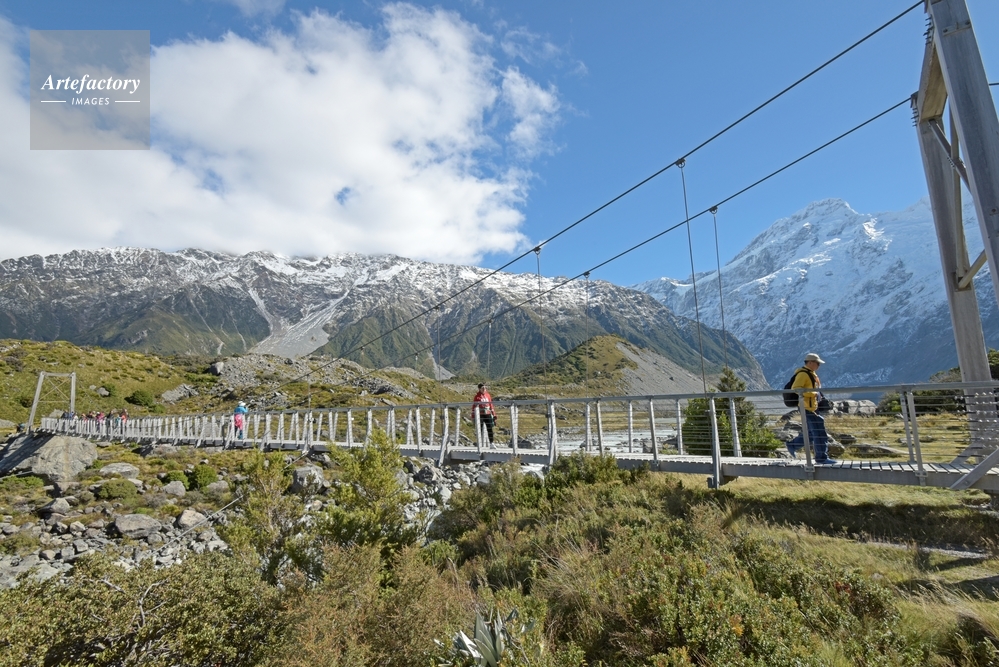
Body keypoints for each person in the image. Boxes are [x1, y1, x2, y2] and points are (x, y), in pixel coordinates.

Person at [785, 353, 836, 464]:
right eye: (817, 363)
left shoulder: (811, 374)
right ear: (810, 362)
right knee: (819, 431)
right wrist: (812, 394)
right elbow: (797, 388)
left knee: (811, 433)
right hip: (807, 407)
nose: (819, 365)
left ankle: (793, 445)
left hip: (811, 407)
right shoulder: (803, 374)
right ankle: (821, 457)